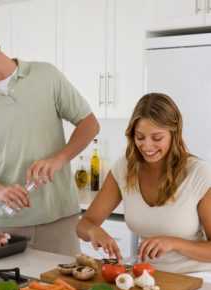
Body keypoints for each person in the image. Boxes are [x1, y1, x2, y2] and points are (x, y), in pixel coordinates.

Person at [0, 13, 100, 256]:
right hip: (6, 224)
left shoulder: (46, 76)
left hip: (59, 218)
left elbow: (89, 124)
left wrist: (59, 159)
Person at [77, 93, 211, 274]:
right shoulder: (124, 169)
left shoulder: (198, 173)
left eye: (157, 138)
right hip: (147, 276)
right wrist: (94, 231)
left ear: (174, 134)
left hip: (198, 279)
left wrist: (173, 243)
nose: (147, 146)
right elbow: (83, 225)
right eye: (140, 137)